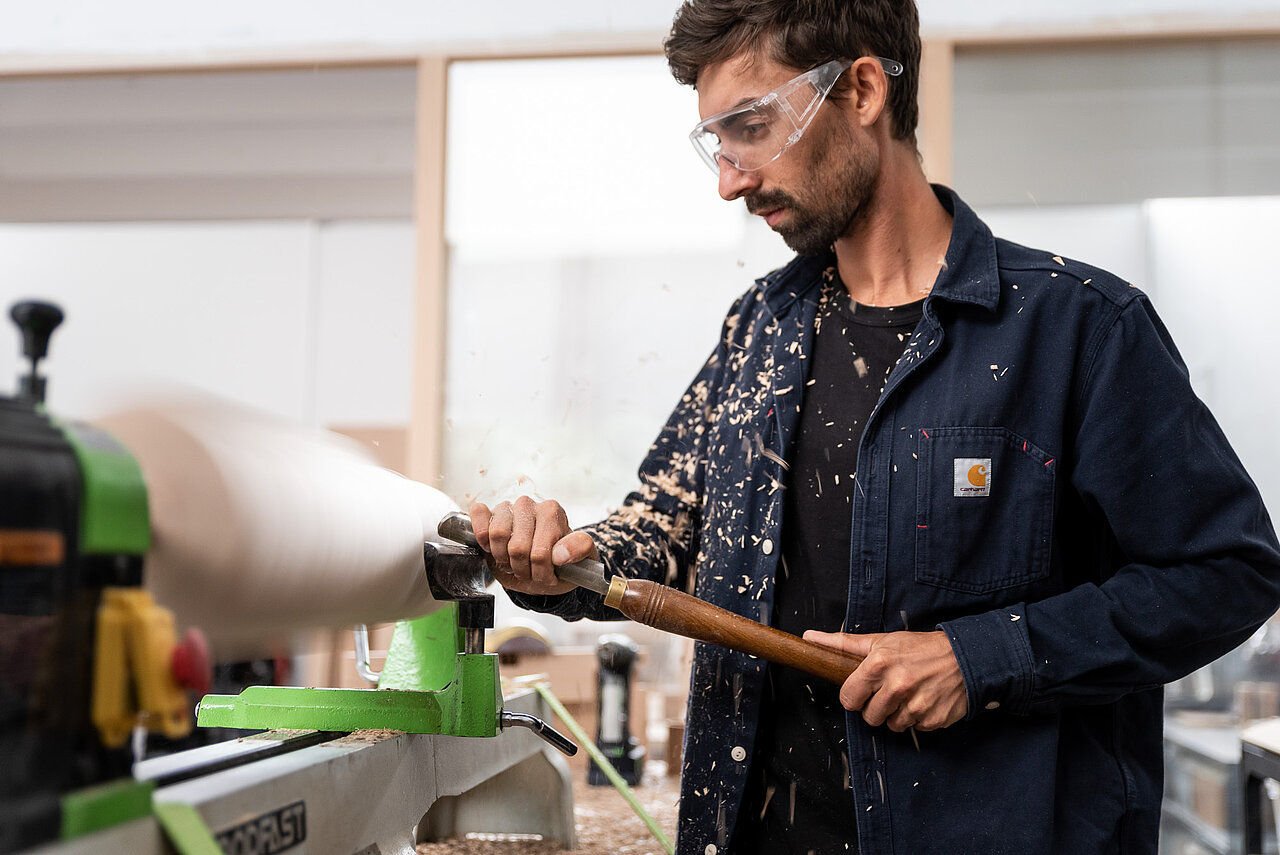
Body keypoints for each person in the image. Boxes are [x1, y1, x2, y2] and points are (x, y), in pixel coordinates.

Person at [469, 1, 1280, 852]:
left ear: (861, 90)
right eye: (718, 141)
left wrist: (983, 656)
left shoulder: (1078, 329)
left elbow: (1227, 571)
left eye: (751, 125)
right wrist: (561, 558)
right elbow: (666, 528)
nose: (729, 180)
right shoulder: (761, 328)